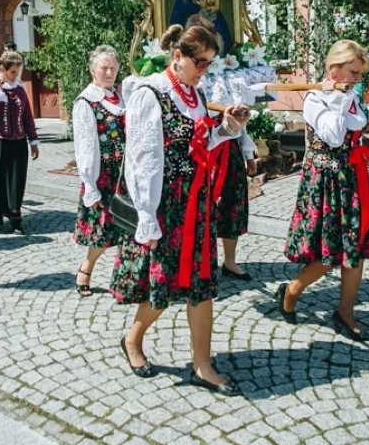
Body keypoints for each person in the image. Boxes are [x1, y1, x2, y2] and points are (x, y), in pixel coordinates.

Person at [111, 24, 249, 396]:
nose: (204, 69)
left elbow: (200, 142)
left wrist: (227, 128)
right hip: (166, 207)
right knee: (165, 284)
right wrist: (146, 217)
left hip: (197, 205)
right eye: (199, 61)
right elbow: (143, 161)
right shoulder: (150, 94)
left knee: (201, 284)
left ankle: (202, 364)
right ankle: (133, 339)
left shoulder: (195, 93)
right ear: (177, 56)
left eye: (209, 63)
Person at [277, 39, 369, 342]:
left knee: (354, 251)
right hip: (323, 182)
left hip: (350, 179)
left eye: (360, 73)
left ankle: (345, 312)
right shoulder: (315, 100)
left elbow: (358, 126)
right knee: (326, 254)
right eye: (354, 72)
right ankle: (291, 291)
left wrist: (345, 97)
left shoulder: (350, 98)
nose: (359, 80)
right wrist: (335, 98)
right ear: (334, 69)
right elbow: (333, 137)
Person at [71, 46, 126, 297]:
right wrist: (90, 185)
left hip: (125, 173)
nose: (109, 71)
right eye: (104, 67)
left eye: (113, 67)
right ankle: (87, 267)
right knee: (102, 231)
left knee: (130, 228)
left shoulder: (122, 97)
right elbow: (84, 145)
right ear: (93, 70)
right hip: (102, 174)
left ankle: (124, 279)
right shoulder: (86, 101)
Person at [0, 51, 39, 233]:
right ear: (2, 69)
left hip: (18, 139)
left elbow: (27, 116)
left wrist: (33, 140)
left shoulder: (20, 90)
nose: (16, 75)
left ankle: (15, 217)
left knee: (16, 179)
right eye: (12, 71)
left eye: (17, 71)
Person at [218, 126, 257, 280]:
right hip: (203, 150)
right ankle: (199, 262)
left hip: (231, 153)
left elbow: (240, 127)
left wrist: (249, 156)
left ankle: (229, 262)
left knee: (232, 207)